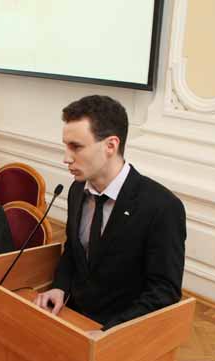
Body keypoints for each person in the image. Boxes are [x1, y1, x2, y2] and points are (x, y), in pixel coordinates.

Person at [33, 95, 186, 331]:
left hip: (120, 332)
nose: (66, 158)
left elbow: (163, 292)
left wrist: (109, 333)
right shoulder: (77, 190)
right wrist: (60, 286)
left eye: (76, 147)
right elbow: (73, 251)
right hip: (71, 318)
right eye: (65, 146)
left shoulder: (162, 207)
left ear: (111, 146)